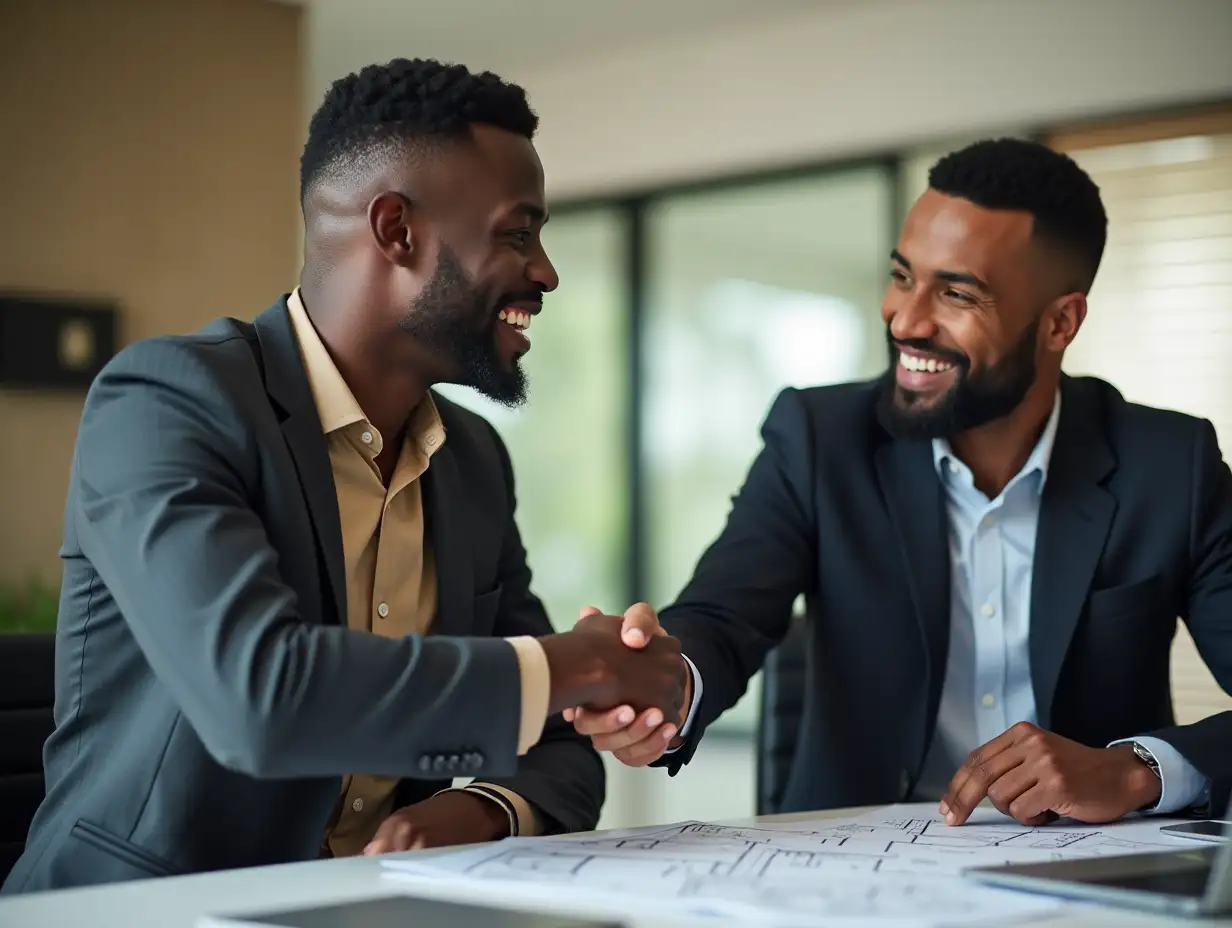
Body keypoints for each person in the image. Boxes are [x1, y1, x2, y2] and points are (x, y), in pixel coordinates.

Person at [3, 58, 684, 895]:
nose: (544, 271)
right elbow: (259, 694)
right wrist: (578, 665)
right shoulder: (166, 404)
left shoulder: (471, 460)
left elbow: (559, 746)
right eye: (517, 233)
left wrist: (482, 809)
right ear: (396, 229)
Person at [570, 138, 1232, 827]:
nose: (906, 319)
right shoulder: (819, 437)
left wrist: (1136, 769)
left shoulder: (1170, 464)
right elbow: (724, 615)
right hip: (852, 875)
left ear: (1060, 322)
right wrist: (665, 684)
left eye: (956, 292)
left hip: (1095, 880)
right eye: (902, 276)